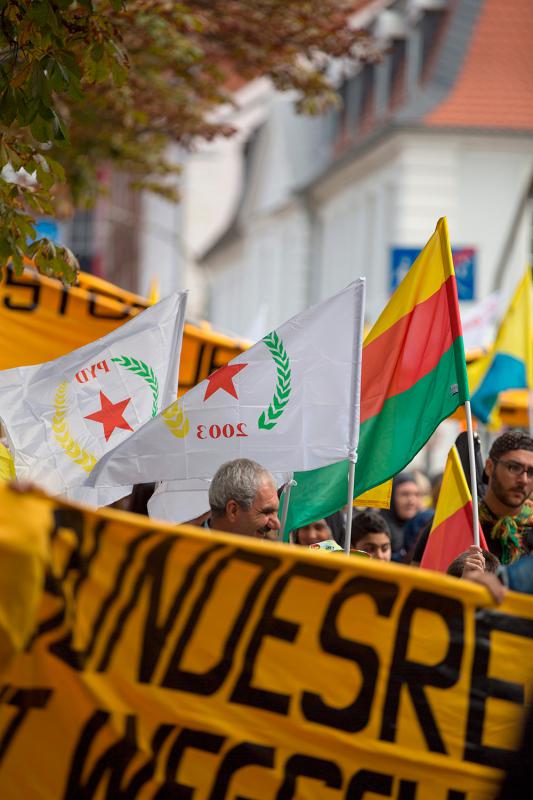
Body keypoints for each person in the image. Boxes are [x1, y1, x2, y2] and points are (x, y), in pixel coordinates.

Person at [478, 430, 533, 564]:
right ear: (489, 467)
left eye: (531, 472)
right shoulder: (461, 522)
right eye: (514, 468)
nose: (524, 480)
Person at [208, 458, 281, 540]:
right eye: (267, 512)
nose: (277, 525)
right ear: (233, 510)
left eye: (275, 512)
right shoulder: (191, 547)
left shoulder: (269, 549)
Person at [379, 472, 420, 561]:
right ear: (391, 497)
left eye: (416, 495)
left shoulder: (420, 526)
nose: (412, 501)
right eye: (405, 494)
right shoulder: (379, 527)